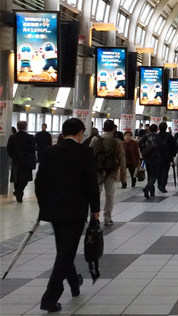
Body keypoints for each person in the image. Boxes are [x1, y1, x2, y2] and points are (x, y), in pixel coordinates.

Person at [35, 118, 100, 313]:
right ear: (80, 132)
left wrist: (44, 206)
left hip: (54, 211)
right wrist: (95, 209)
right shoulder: (85, 153)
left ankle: (74, 282)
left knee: (64, 249)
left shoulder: (49, 153)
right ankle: (49, 298)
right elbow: (91, 184)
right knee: (66, 252)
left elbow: (39, 183)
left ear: (63, 133)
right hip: (75, 210)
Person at [89, 119, 126, 226]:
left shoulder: (95, 139)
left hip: (97, 171)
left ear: (103, 128)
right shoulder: (117, 141)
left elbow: (89, 155)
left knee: (96, 194)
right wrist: (123, 175)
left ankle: (94, 216)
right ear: (114, 129)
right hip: (111, 172)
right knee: (109, 195)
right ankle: (107, 218)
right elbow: (122, 159)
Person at [7, 120, 36, 202]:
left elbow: (9, 149)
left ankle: (18, 194)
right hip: (27, 160)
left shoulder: (12, 137)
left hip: (16, 160)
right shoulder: (30, 137)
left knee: (17, 178)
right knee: (25, 178)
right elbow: (32, 149)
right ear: (26, 127)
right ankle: (19, 191)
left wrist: (13, 156)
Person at [138, 124, 165, 199]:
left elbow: (139, 143)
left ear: (149, 129)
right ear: (157, 130)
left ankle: (151, 191)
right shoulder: (159, 138)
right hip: (156, 158)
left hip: (147, 158)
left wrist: (143, 151)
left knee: (149, 173)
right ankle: (147, 188)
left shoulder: (146, 136)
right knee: (154, 175)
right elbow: (162, 148)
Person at [156, 122, 176, 192]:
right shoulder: (169, 136)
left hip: (158, 156)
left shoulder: (156, 136)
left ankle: (159, 184)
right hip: (167, 157)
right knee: (165, 171)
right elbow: (174, 146)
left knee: (159, 171)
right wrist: (173, 154)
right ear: (166, 128)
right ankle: (163, 185)